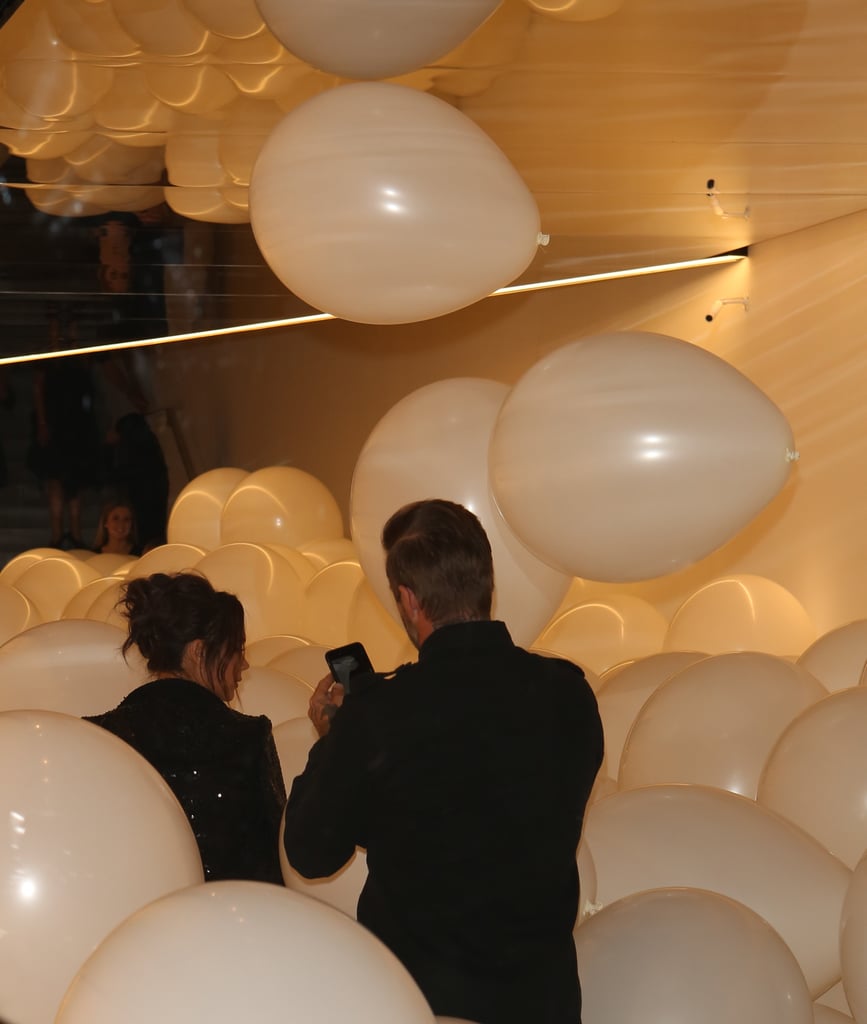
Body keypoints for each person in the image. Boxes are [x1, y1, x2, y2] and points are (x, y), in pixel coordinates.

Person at [283, 499, 604, 1024]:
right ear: (486, 583)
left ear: (409, 600)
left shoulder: (379, 713)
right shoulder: (569, 694)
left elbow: (311, 851)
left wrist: (330, 742)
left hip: (422, 1000)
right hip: (540, 999)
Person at [85, 571, 286, 884]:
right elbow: (274, 861)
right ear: (199, 652)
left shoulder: (102, 736)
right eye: (238, 650)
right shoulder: (248, 737)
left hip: (136, 924)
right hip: (232, 920)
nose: (244, 665)